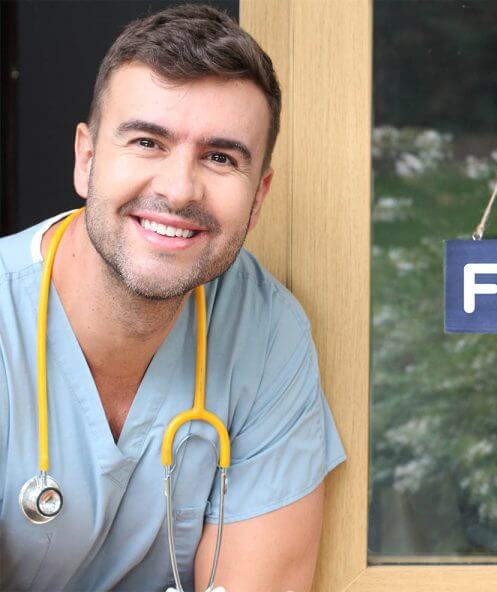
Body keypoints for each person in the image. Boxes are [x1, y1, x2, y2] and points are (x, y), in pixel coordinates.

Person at [0, 3, 346, 591]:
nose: (179, 189)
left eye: (220, 157)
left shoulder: (264, 334)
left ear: (259, 196)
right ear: (86, 160)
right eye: (147, 142)